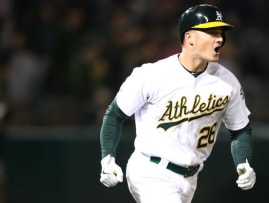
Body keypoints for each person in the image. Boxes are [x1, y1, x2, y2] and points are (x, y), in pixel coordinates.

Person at [99, 4, 256, 203]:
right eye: (212, 33)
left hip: (190, 178)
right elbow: (115, 114)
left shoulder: (227, 82)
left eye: (221, 33)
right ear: (189, 38)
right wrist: (107, 158)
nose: (220, 39)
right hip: (151, 170)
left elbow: (240, 129)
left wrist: (243, 162)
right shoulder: (152, 75)